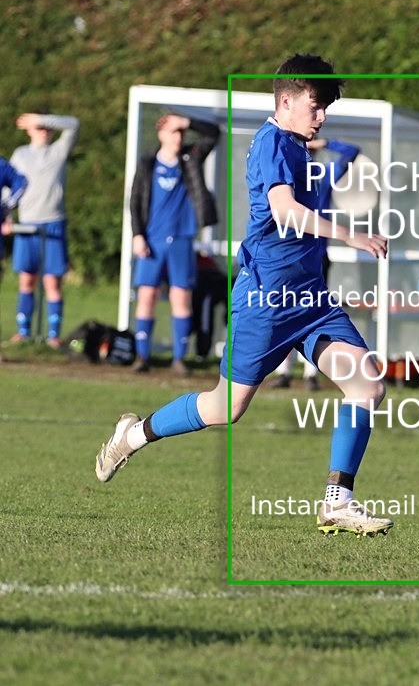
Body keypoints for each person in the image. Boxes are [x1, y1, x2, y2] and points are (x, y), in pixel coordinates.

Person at [96, 53, 393, 536]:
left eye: (326, 109)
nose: (322, 117)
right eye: (316, 106)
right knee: (226, 408)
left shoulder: (301, 147)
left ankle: (338, 502)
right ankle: (132, 435)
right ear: (287, 100)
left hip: (311, 300)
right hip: (266, 300)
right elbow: (285, 211)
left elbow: (337, 166)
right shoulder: (273, 144)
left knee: (367, 385)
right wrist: (351, 235)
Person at [129, 113, 220, 374]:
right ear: (161, 134)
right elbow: (135, 201)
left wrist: (187, 121)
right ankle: (142, 356)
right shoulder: (147, 163)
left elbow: (213, 133)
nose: (178, 137)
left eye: (180, 132)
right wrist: (138, 234)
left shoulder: (190, 158)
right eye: (173, 132)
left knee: (181, 298)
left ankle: (179, 358)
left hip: (181, 239)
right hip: (152, 241)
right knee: (147, 296)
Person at [270, 135, 360, 391]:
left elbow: (352, 150)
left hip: (317, 255)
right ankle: (283, 371)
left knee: (313, 312)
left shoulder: (324, 175)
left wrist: (325, 143)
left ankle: (311, 374)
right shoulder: (287, 176)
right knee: (284, 310)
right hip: (288, 255)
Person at [7, 111, 79, 347]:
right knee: (27, 279)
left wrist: (41, 119)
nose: (44, 130)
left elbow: (72, 124)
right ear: (29, 130)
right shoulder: (20, 154)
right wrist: (6, 217)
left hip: (54, 223)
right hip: (27, 224)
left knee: (52, 283)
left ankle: (53, 336)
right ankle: (23, 332)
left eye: (46, 126)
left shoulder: (58, 151)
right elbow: (9, 188)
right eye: (38, 127)